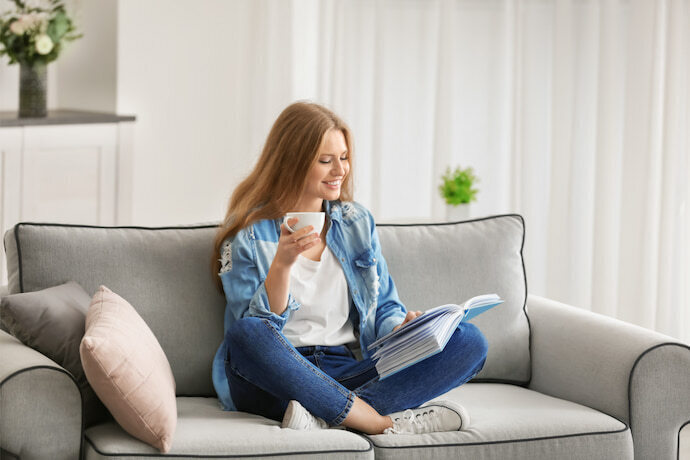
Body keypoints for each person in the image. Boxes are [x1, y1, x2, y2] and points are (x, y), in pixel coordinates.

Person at [211, 101, 488, 435]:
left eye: (343, 158)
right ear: (292, 163)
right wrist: (282, 265)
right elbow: (255, 329)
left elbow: (383, 305)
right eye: (326, 161)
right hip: (277, 375)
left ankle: (324, 414)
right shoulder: (247, 235)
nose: (339, 170)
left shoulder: (357, 223)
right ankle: (377, 421)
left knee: (470, 341)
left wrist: (403, 327)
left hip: (342, 368)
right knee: (247, 334)